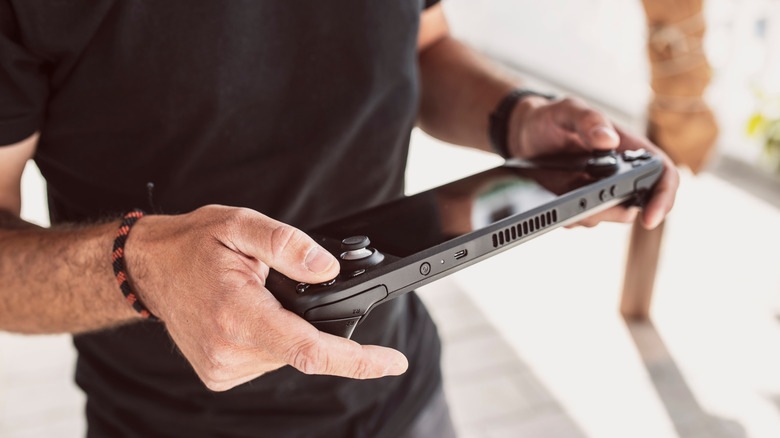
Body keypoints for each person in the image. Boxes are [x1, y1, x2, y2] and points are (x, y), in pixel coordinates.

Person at [0, 1, 679, 437]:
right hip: (168, 422)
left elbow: (420, 41)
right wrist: (142, 264)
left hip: (400, 398)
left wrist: (517, 116)